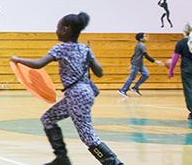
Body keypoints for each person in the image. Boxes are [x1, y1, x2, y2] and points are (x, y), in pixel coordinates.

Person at [11, 12, 123, 165]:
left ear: (67, 29)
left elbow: (39, 64)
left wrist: (18, 60)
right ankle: (62, 158)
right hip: (84, 92)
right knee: (48, 118)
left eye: (58, 28)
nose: (56, 31)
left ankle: (113, 163)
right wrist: (89, 58)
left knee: (87, 135)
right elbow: (99, 72)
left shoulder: (60, 48)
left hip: (76, 95)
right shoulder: (85, 49)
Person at [119, 32, 162, 97]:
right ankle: (123, 90)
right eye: (145, 36)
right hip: (136, 63)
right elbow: (146, 55)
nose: (146, 37)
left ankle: (135, 87)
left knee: (146, 74)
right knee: (131, 78)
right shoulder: (141, 45)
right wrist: (155, 61)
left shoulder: (140, 45)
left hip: (140, 64)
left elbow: (134, 55)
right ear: (141, 38)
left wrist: (131, 63)